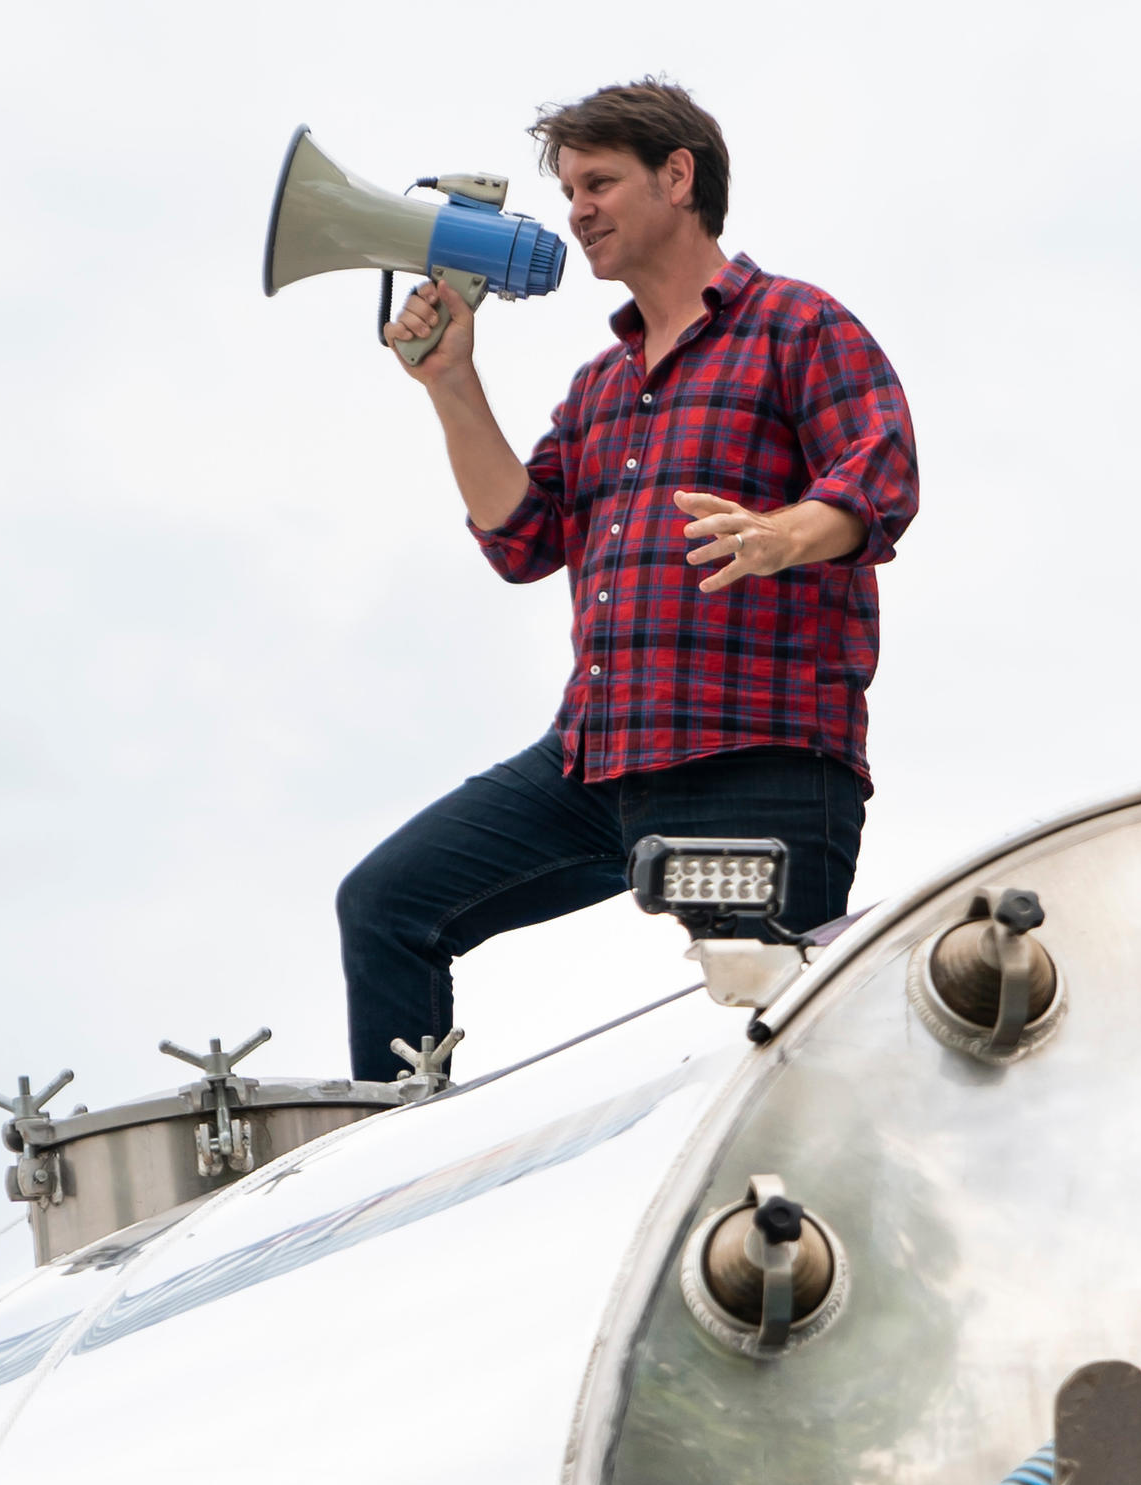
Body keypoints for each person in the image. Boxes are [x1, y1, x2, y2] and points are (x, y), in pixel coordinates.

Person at [336, 78, 920, 1082]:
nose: (576, 211)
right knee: (386, 907)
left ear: (678, 177)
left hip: (760, 762)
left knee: (787, 1052)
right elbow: (520, 539)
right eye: (567, 189)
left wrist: (781, 537)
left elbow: (881, 476)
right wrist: (450, 384)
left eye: (599, 182)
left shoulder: (796, 326)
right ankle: (395, 1180)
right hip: (596, 766)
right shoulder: (602, 386)